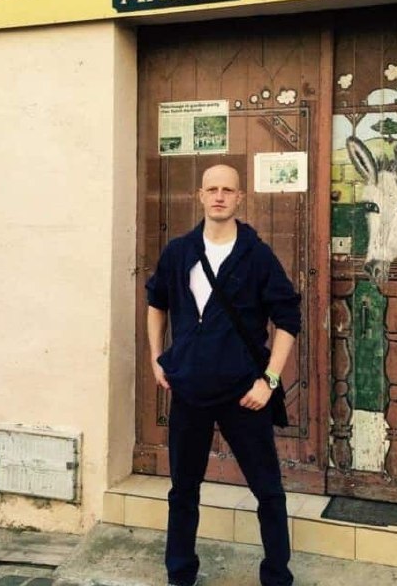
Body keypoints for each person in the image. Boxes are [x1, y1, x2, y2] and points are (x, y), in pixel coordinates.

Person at [146, 164, 301, 586]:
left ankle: (277, 575)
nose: (219, 196)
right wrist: (157, 357)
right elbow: (157, 302)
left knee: (268, 490)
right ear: (200, 196)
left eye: (227, 190)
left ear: (239, 198)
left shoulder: (257, 256)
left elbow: (288, 319)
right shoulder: (179, 252)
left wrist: (269, 381)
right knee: (183, 491)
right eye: (212, 189)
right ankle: (180, 573)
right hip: (189, 390)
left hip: (243, 393)